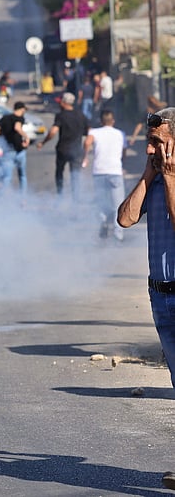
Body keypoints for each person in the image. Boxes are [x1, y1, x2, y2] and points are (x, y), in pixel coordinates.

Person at [118, 107, 175, 389]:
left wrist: (170, 178)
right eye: (149, 142)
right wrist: (147, 176)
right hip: (160, 295)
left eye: (157, 142)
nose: (150, 149)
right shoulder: (153, 179)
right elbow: (125, 219)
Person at [82, 109, 126, 241]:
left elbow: (87, 142)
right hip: (115, 171)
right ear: (113, 121)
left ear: (101, 121)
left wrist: (86, 156)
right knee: (118, 204)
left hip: (99, 171)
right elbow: (124, 152)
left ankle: (103, 224)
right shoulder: (120, 134)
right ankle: (118, 235)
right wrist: (121, 163)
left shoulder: (94, 132)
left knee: (101, 202)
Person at [37, 92, 89, 199]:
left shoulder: (61, 115)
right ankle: (76, 198)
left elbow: (53, 131)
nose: (59, 103)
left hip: (63, 149)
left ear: (65, 103)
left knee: (59, 173)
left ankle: (60, 195)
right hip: (77, 150)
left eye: (60, 102)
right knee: (75, 175)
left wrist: (43, 142)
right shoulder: (81, 115)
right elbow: (89, 131)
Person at [0, 102, 30, 194]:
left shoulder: (5, 118)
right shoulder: (19, 118)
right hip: (19, 151)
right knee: (22, 176)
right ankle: (22, 199)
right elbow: (17, 127)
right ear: (22, 109)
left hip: (7, 150)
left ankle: (0, 200)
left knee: (7, 177)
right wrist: (26, 137)